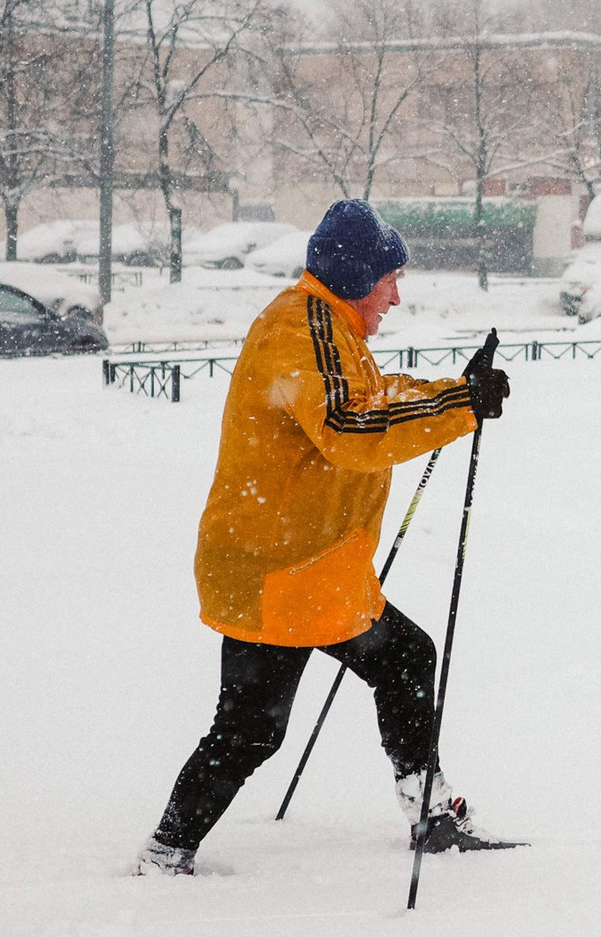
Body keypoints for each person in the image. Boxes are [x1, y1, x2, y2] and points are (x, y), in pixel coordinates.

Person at [136, 199, 515, 876]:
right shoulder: (301, 330)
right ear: (354, 276)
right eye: (388, 279)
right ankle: (167, 849)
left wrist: (455, 393)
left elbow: (366, 398)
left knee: (403, 658)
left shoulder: (330, 326)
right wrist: (455, 407)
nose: (396, 295)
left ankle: (427, 809)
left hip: (314, 567)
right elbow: (349, 426)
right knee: (252, 728)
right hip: (276, 571)